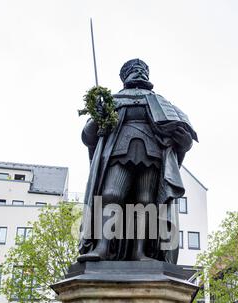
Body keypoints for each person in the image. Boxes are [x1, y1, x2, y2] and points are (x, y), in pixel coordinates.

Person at [78, 59, 197, 264]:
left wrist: (185, 143)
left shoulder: (162, 102)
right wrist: (98, 116)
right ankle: (103, 247)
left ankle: (139, 252)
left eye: (142, 70)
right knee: (111, 194)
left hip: (151, 155)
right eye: (133, 70)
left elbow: (182, 137)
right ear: (125, 77)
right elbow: (88, 137)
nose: (139, 73)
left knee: (146, 201)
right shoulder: (111, 101)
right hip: (118, 152)